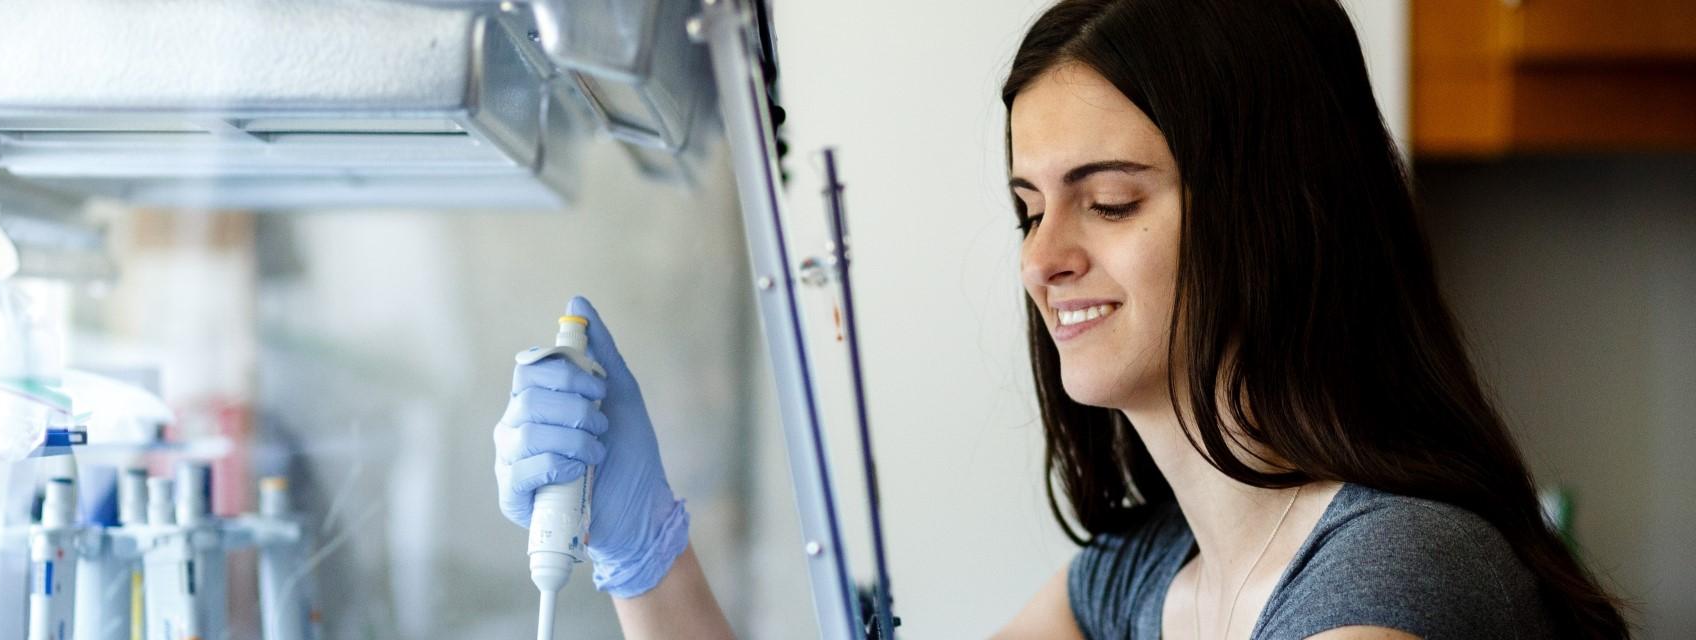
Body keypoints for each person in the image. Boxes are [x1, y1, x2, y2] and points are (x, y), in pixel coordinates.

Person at [491, 0, 1631, 637]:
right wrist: (642, 554)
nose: (1044, 258)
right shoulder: (1140, 582)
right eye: (1029, 207)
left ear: (1278, 212)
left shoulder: (1400, 573)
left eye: (1111, 199)